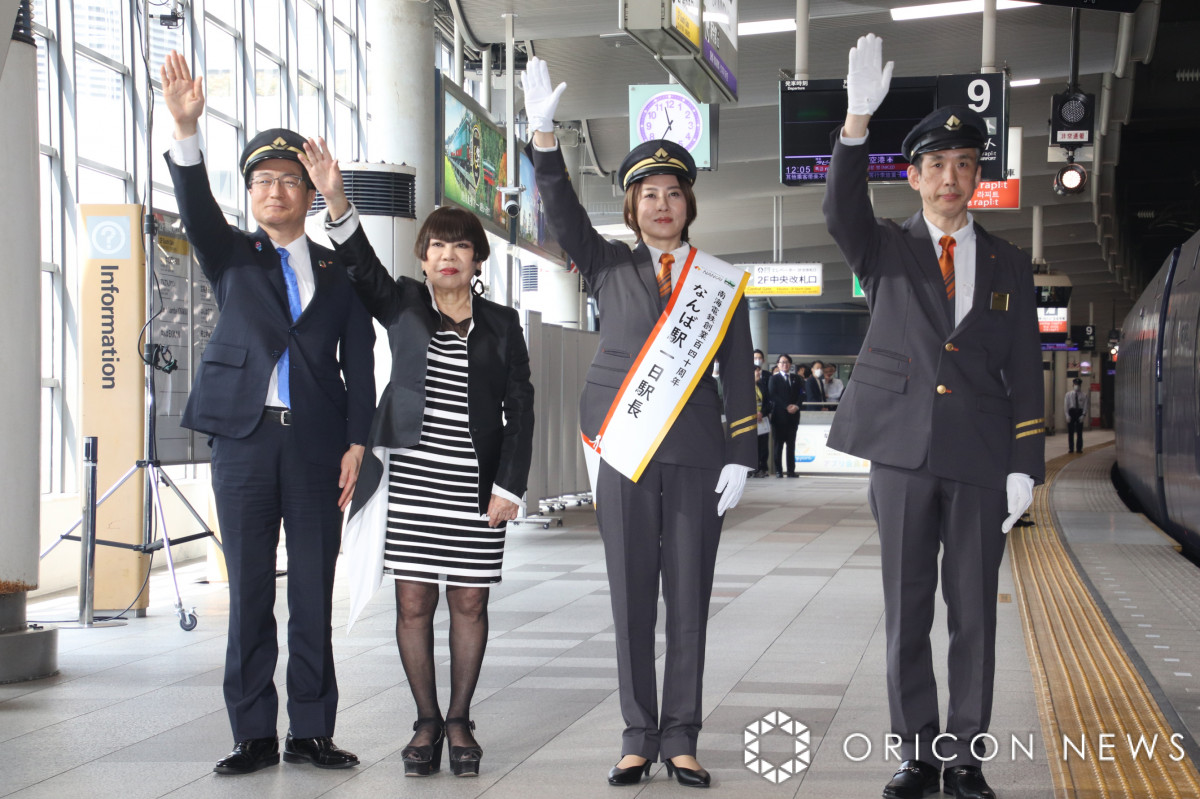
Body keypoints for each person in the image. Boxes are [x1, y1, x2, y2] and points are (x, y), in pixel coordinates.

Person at [822, 35, 1044, 799]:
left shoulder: (1012, 265)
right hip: (903, 454)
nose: (952, 178)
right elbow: (839, 205)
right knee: (907, 607)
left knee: (974, 615)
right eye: (937, 166)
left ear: (978, 178)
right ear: (912, 177)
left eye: (965, 166)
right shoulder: (883, 249)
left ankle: (965, 758)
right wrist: (856, 122)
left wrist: (1027, 463)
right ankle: (917, 753)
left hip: (982, 458)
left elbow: (1025, 367)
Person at [524, 56, 756, 789]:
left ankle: (681, 736)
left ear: (689, 204)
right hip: (622, 448)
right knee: (630, 597)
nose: (661, 204)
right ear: (630, 208)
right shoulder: (606, 266)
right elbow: (559, 211)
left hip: (695, 453)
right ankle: (635, 736)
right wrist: (542, 140)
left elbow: (740, 371)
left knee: (687, 597)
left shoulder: (720, 284)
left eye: (673, 193)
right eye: (647, 194)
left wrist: (742, 450)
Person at [160, 51, 375, 775]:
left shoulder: (339, 272)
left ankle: (310, 728)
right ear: (250, 194)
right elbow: (193, 208)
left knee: (313, 590)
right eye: (262, 181)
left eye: (289, 180)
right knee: (250, 587)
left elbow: (362, 363)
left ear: (309, 194)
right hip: (245, 445)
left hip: (318, 448)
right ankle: (252, 730)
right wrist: (186, 132)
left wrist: (358, 445)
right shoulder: (232, 256)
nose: (275, 189)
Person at [300, 142, 535, 778]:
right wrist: (334, 196)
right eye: (437, 246)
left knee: (470, 604)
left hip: (474, 485)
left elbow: (522, 411)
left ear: (477, 257)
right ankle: (425, 720)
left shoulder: (503, 324)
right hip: (412, 481)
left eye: (460, 246)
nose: (448, 256)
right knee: (413, 607)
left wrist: (510, 487)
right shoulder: (402, 304)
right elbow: (360, 263)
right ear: (423, 258)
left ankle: (460, 720)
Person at [768, 354, 803, 478]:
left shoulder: (797, 378)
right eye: (782, 362)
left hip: (793, 417)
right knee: (778, 445)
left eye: (787, 362)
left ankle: (791, 471)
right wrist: (786, 406)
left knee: (791, 445)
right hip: (779, 417)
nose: (785, 364)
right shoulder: (774, 379)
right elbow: (773, 395)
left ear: (791, 365)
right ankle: (778, 470)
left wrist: (797, 406)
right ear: (778, 364)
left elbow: (802, 394)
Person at [754, 364, 772, 477]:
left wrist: (762, 413)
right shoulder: (743, 387)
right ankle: (752, 468)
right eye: (756, 372)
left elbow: (768, 402)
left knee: (763, 445)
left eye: (759, 372)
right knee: (752, 445)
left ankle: (763, 468)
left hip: (762, 419)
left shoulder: (762, 386)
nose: (758, 374)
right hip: (750, 420)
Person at [1064, 378, 1089, 453]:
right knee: (1070, 432)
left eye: (1078, 385)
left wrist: (1083, 415)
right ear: (1073, 385)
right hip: (1071, 412)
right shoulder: (1068, 395)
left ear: (1080, 385)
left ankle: (1079, 448)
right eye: (1075, 385)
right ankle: (1071, 448)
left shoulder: (1084, 395)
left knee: (1079, 432)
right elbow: (1066, 405)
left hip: (1079, 413)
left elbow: (1085, 406)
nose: (1076, 386)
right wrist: (1067, 415)